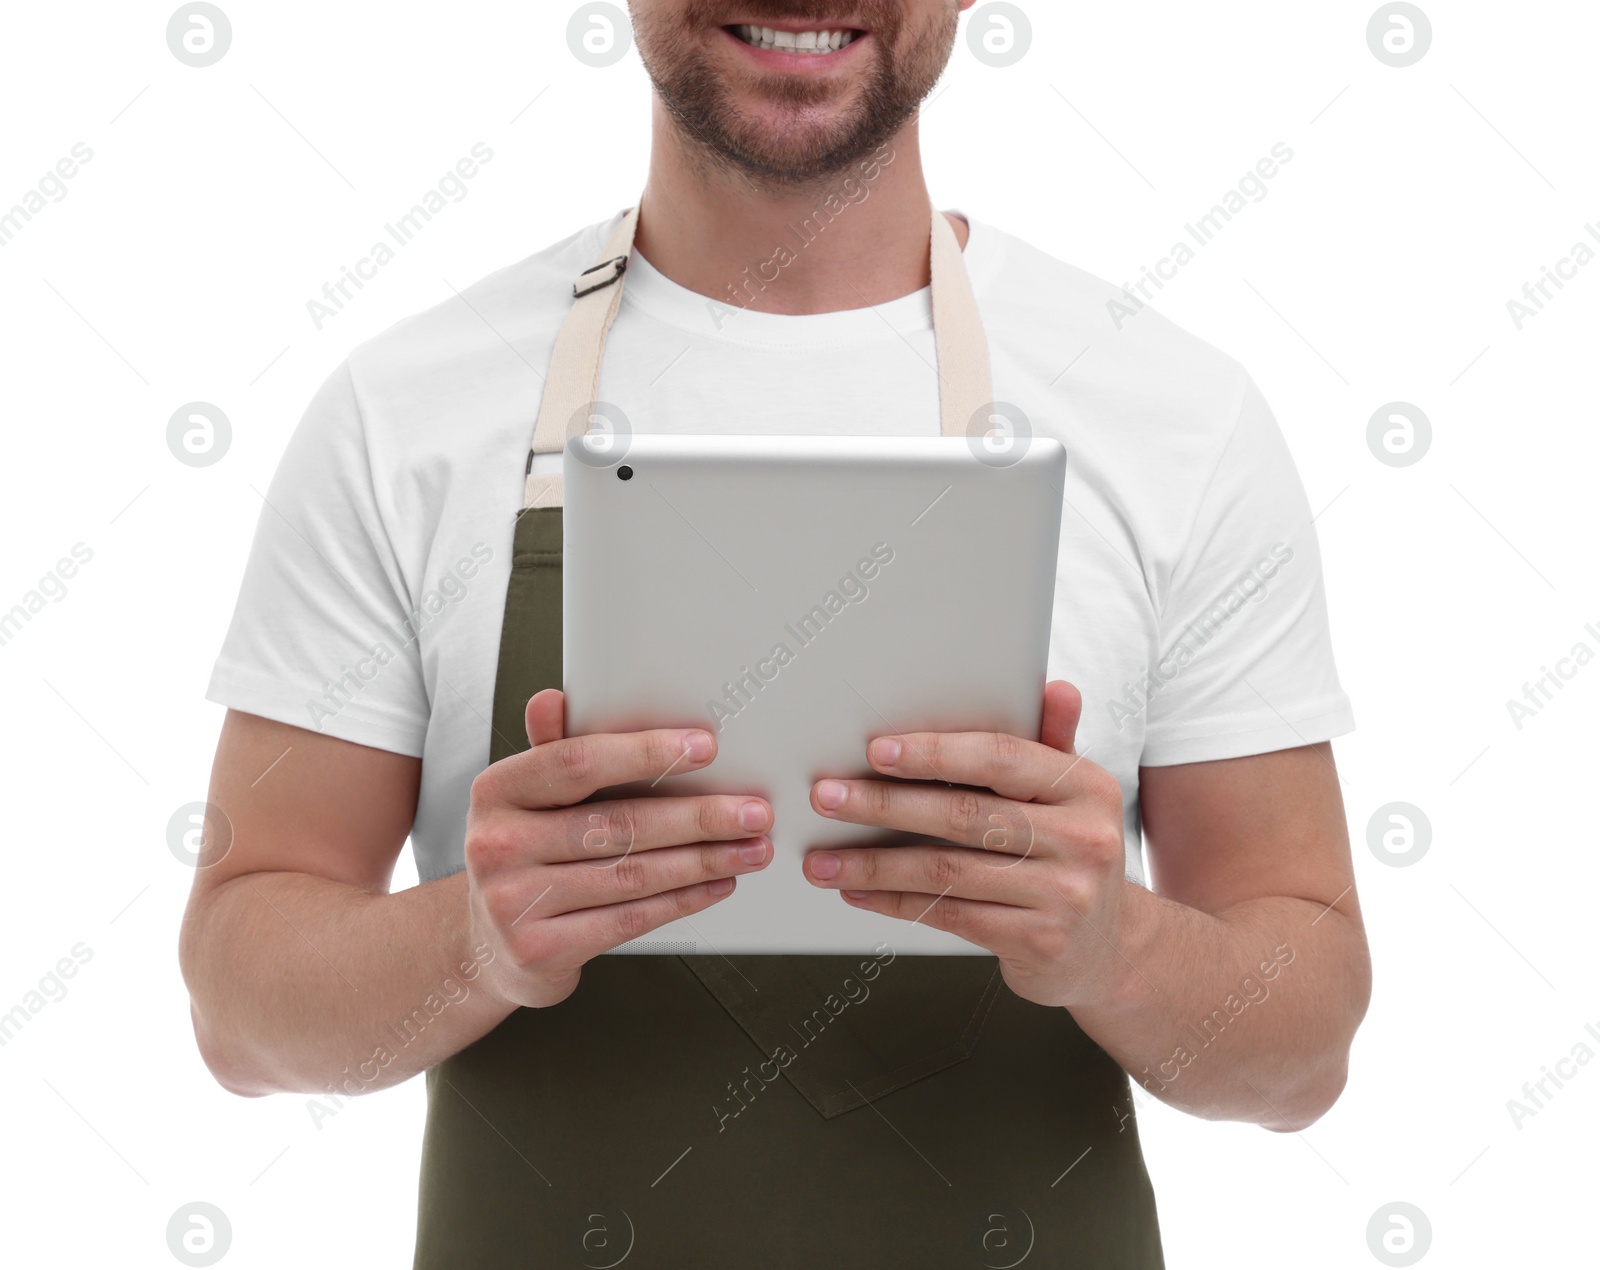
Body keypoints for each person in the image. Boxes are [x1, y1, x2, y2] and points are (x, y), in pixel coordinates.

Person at [180, 2, 1371, 1266]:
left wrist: (1117, 944)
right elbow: (239, 1013)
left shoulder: (1177, 421)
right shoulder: (399, 418)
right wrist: (472, 938)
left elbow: (1300, 1058)